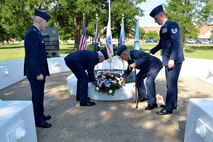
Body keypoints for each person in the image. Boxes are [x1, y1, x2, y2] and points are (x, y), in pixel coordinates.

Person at [149, 5, 185, 115]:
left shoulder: (172, 25)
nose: (155, 21)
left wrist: (172, 59)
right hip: (168, 59)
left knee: (170, 83)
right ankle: (171, 104)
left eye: (155, 19)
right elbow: (161, 43)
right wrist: (151, 51)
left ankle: (168, 109)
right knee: (171, 83)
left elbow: (176, 43)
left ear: (161, 15)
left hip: (173, 60)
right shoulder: (163, 28)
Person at [24, 10, 52, 128]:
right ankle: (38, 120)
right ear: (39, 21)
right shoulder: (32, 33)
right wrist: (38, 73)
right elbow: (32, 56)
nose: (45, 25)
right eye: (45, 22)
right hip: (36, 73)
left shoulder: (36, 32)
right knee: (37, 96)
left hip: (39, 71)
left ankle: (40, 114)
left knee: (39, 95)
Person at [117, 45, 163, 110]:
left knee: (149, 81)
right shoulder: (129, 59)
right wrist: (123, 77)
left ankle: (152, 103)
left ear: (124, 54)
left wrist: (136, 63)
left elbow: (146, 56)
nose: (123, 59)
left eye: (122, 57)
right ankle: (143, 96)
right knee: (138, 78)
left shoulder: (135, 53)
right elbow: (129, 68)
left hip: (154, 64)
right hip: (146, 67)